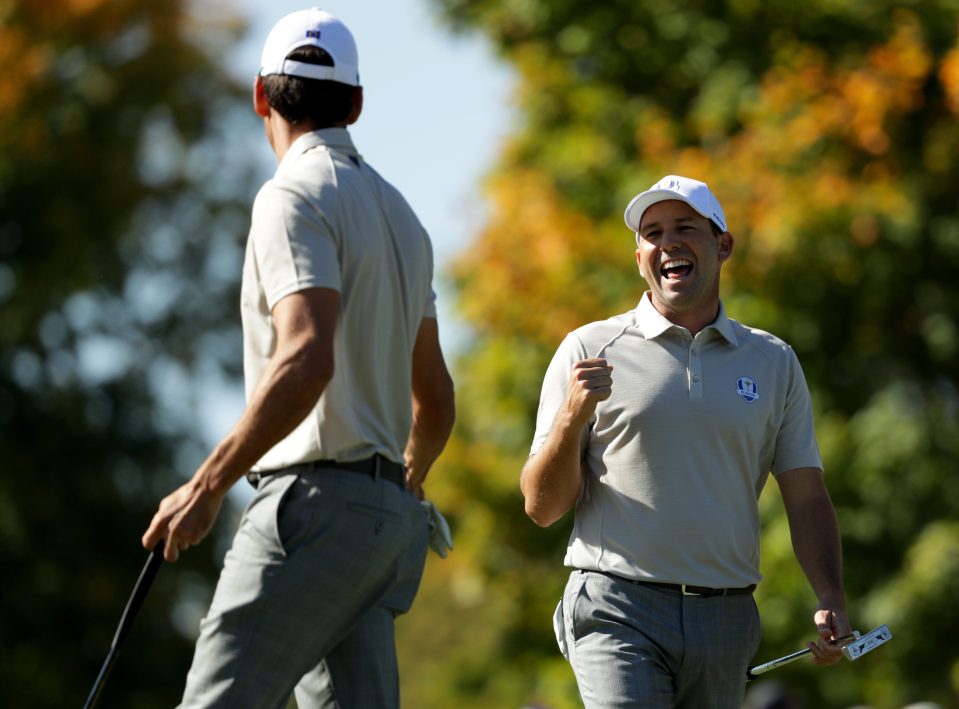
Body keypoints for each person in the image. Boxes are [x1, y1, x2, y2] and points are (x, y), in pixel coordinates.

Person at [141, 8, 455, 708]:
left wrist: (206, 485)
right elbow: (435, 402)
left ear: (260, 96)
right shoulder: (406, 219)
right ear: (355, 103)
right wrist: (398, 480)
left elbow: (305, 357)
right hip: (383, 525)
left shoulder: (290, 195)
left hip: (309, 509)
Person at [522, 175, 850, 708]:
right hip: (615, 606)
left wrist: (831, 596)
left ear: (723, 246)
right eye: (652, 233)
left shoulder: (773, 362)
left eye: (685, 228)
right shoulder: (589, 347)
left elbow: (807, 495)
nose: (667, 243)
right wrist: (571, 418)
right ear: (639, 258)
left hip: (726, 615)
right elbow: (541, 506)